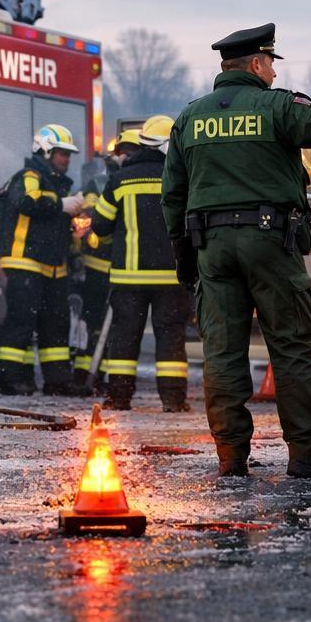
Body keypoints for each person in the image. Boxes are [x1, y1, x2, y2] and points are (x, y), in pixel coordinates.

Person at [161, 23, 311, 479]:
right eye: (269, 64)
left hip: (211, 247)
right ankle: (307, 452)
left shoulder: (189, 118)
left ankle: (231, 456)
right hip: (269, 242)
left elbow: (173, 197)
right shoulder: (277, 106)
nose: (271, 73)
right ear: (255, 64)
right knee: (289, 345)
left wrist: (186, 260)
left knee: (223, 352)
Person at [91, 115, 191, 411]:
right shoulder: (180, 181)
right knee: (171, 338)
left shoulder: (119, 180)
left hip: (128, 278)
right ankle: (173, 400)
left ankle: (119, 398)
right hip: (171, 279)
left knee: (124, 338)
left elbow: (100, 226)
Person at [0, 123, 86, 395]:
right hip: (25, 262)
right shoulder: (30, 174)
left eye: (69, 154)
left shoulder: (58, 184)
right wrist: (62, 204)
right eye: (61, 153)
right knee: (22, 321)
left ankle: (57, 381)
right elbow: (26, 200)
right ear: (45, 152)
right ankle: (9, 381)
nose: (67, 159)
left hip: (54, 266)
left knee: (56, 323)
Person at [73, 130, 140, 388]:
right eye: (123, 150)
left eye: (130, 151)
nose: (125, 155)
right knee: (93, 321)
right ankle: (84, 373)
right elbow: (92, 218)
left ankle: (102, 373)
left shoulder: (127, 179)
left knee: (116, 324)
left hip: (123, 266)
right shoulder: (100, 183)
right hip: (99, 266)